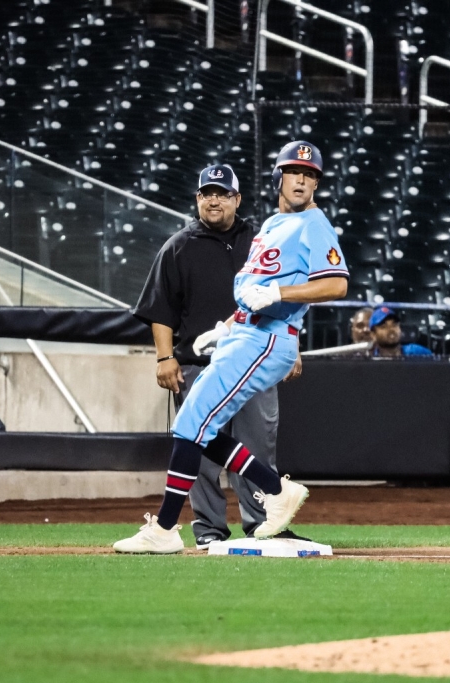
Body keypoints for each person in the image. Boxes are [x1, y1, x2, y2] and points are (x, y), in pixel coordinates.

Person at [113, 141, 348, 554]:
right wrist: (226, 326)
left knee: (192, 423)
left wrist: (280, 292)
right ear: (279, 177)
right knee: (193, 424)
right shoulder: (273, 225)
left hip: (266, 338)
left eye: (310, 175)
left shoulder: (314, 222)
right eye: (295, 171)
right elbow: (250, 292)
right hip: (244, 333)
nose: (302, 180)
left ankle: (166, 528)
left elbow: (337, 284)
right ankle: (275, 490)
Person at [368, 305, 433, 358]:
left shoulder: (419, 353)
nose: (391, 329)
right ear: (373, 334)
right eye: (384, 326)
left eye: (394, 325)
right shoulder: (369, 360)